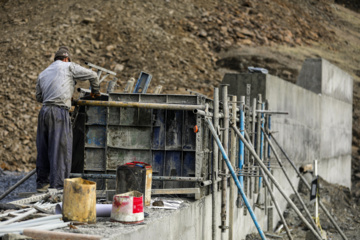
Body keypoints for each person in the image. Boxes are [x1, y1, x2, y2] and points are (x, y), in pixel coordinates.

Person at [35, 46, 100, 192]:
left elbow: (39, 97)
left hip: (44, 111)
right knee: (60, 149)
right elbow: (93, 75)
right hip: (59, 112)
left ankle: (42, 184)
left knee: (43, 148)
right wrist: (95, 92)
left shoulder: (44, 73)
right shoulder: (69, 66)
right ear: (66, 59)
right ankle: (58, 187)